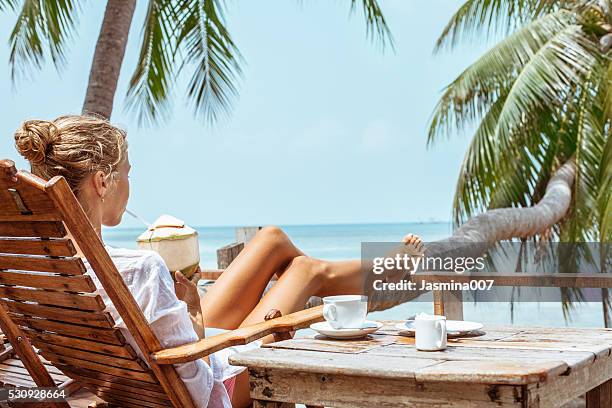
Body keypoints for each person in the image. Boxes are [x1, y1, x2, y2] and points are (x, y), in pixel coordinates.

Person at [13, 114, 423, 408]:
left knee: (271, 240)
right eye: (127, 173)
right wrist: (193, 315)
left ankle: (385, 272)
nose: (129, 185)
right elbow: (194, 391)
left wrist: (190, 322)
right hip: (206, 391)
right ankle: (388, 273)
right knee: (302, 270)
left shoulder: (31, 271)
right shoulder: (141, 268)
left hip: (136, 379)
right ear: (103, 181)